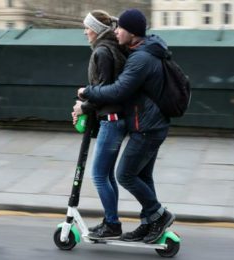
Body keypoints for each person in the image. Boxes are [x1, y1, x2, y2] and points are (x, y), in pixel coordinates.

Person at [77, 9, 175, 244]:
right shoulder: (138, 51)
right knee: (141, 175)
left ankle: (156, 216)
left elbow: (116, 91)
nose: (116, 31)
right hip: (149, 122)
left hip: (146, 126)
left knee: (121, 175)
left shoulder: (138, 57)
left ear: (131, 32)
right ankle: (148, 222)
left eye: (120, 28)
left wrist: (85, 97)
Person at [72, 10, 127, 239]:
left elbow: (105, 92)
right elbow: (103, 89)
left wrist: (83, 107)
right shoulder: (110, 48)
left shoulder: (103, 52)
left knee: (98, 175)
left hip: (111, 121)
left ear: (95, 29)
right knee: (107, 175)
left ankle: (112, 224)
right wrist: (84, 101)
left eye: (87, 27)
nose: (85, 32)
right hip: (115, 119)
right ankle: (110, 221)